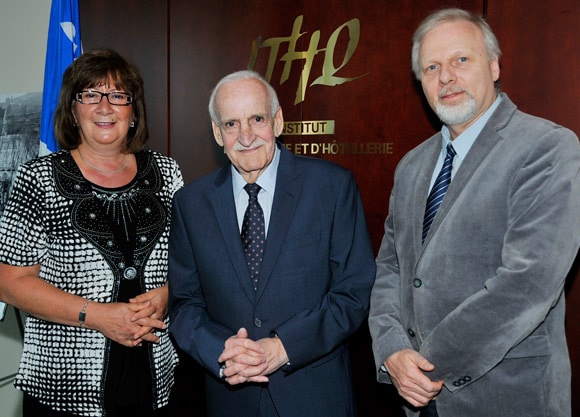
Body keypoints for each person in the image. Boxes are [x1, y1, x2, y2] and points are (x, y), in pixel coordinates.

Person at [368, 7, 580, 417]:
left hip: (506, 398)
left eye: (461, 60)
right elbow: (390, 270)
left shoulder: (546, 148)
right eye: (431, 67)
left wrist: (426, 363)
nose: (446, 77)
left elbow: (528, 283)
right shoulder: (411, 165)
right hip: (416, 398)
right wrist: (392, 350)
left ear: (494, 66)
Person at [168, 70, 376, 417]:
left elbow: (353, 293)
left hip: (315, 397)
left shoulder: (331, 187)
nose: (246, 136)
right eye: (231, 124)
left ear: (277, 121)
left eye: (257, 119)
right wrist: (222, 351)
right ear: (218, 133)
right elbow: (184, 304)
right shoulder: (191, 203)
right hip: (231, 398)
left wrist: (283, 347)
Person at [0, 48, 183, 417]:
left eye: (118, 96)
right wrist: (96, 315)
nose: (104, 107)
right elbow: (9, 282)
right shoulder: (38, 178)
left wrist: (168, 294)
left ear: (133, 111)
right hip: (63, 386)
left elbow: (191, 262)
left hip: (153, 380)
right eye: (90, 95)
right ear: (73, 111)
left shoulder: (167, 173)